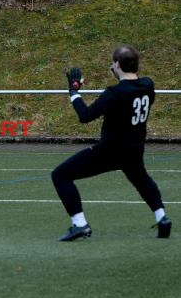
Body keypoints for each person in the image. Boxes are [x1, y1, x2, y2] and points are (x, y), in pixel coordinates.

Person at [52, 45, 172, 241]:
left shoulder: (114, 93)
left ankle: (80, 224)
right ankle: (162, 218)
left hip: (111, 150)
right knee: (142, 181)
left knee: (60, 174)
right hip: (134, 148)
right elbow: (132, 93)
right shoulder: (148, 85)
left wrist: (74, 91)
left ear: (117, 64)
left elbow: (85, 115)